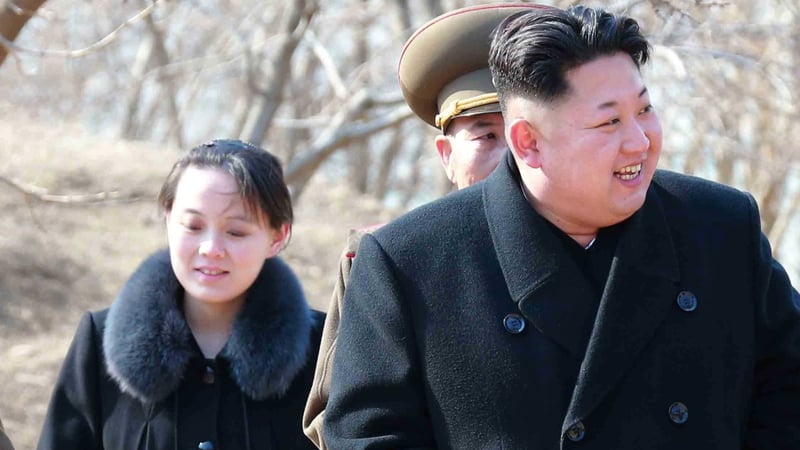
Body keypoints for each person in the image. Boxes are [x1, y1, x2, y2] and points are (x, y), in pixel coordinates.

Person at [323, 5, 800, 449]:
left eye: (644, 110)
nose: (640, 142)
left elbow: (787, 385)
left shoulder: (721, 226)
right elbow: (368, 435)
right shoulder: (408, 261)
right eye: (608, 122)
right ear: (528, 142)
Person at [301, 4, 550, 449]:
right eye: (485, 136)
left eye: (524, 134)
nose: (509, 156)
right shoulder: (388, 258)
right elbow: (338, 422)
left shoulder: (603, 242)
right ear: (445, 154)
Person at [38, 139, 323, 450]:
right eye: (193, 225)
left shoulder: (325, 351)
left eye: (236, 232)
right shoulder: (98, 340)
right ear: (168, 220)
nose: (211, 249)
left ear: (277, 237)